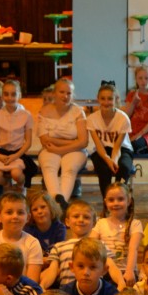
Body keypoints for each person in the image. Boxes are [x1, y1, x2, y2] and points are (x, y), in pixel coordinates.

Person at [36, 77, 88, 207]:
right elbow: (44, 140)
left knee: (69, 169)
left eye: (69, 93)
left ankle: (60, 203)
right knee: (48, 167)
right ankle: (59, 202)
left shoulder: (78, 112)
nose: (65, 96)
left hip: (75, 150)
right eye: (62, 92)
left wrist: (58, 147)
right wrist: (72, 141)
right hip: (51, 148)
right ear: (54, 93)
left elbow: (83, 142)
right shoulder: (44, 111)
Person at [87, 82, 135, 198]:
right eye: (103, 98)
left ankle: (120, 195)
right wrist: (108, 160)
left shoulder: (123, 118)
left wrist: (113, 160)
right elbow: (98, 145)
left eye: (110, 99)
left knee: (124, 168)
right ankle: (107, 200)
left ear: (116, 99)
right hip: (101, 151)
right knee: (103, 169)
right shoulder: (92, 119)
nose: (106, 102)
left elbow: (117, 146)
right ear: (98, 99)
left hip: (122, 149)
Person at [91, 182, 142, 288]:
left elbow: (133, 248)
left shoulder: (135, 224)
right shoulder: (101, 223)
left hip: (126, 271)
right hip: (106, 272)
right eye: (111, 200)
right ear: (105, 202)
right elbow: (91, 244)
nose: (116, 203)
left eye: (120, 199)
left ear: (129, 201)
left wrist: (129, 271)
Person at [0, 79, 34, 193]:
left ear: (19, 95)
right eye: (6, 94)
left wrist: (15, 156)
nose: (9, 98)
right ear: (2, 95)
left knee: (16, 173)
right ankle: (7, 185)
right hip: (1, 153)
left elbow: (28, 142)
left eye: (13, 94)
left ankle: (21, 186)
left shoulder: (26, 115)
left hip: (17, 153)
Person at [124, 65, 148, 154]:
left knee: (133, 145)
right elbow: (126, 116)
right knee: (120, 144)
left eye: (146, 78)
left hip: (147, 133)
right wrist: (133, 103)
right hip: (132, 130)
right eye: (140, 78)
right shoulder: (131, 95)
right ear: (136, 79)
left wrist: (139, 134)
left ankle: (146, 147)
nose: (143, 81)